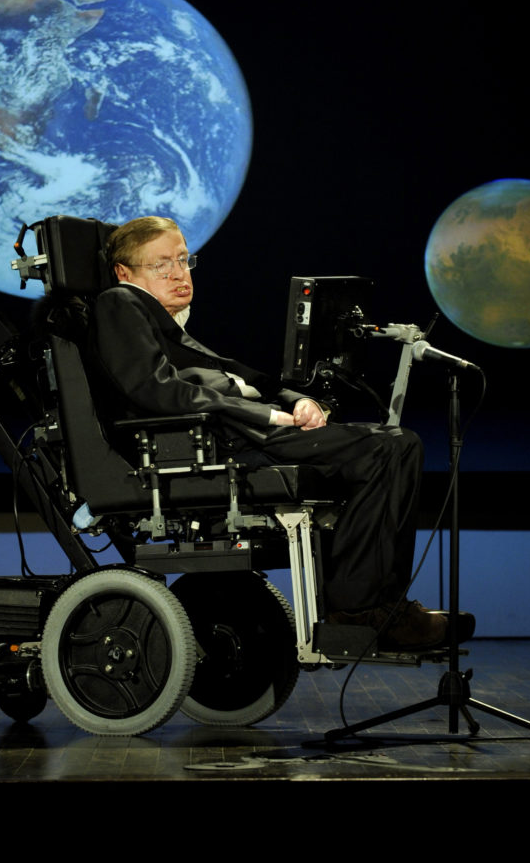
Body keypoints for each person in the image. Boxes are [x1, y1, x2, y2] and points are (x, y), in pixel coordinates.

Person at [86, 216, 448, 650]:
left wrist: (295, 399)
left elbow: (239, 374)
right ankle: (361, 609)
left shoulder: (166, 327)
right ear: (125, 273)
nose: (179, 274)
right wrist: (264, 415)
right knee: (392, 448)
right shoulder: (119, 302)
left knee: (391, 446)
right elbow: (154, 390)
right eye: (162, 265)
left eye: (183, 260)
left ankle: (374, 603)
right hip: (221, 442)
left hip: (237, 433)